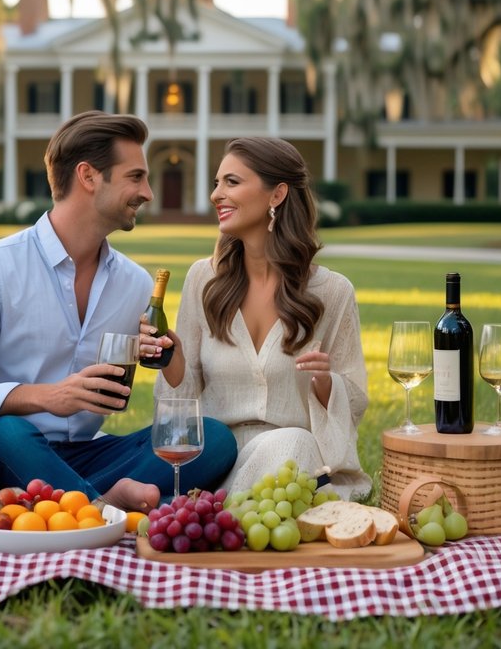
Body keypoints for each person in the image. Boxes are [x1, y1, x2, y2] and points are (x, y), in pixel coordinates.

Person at [0, 111, 236, 511]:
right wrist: (46, 397)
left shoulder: (134, 284)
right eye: (135, 177)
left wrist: (165, 353)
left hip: (89, 454)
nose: (148, 193)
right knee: (8, 432)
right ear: (88, 177)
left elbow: (162, 376)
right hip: (8, 454)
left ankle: (83, 502)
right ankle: (101, 508)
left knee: (213, 437)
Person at [146, 137, 372, 499]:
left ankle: (212, 514)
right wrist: (172, 359)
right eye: (216, 183)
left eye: (231, 182)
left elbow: (356, 398)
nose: (216, 195)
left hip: (291, 463)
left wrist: (327, 384)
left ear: (277, 194)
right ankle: (220, 510)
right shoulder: (203, 280)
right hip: (215, 458)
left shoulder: (332, 292)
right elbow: (182, 403)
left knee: (292, 444)